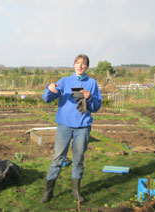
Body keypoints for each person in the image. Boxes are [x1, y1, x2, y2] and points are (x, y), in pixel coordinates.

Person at [40, 54, 102, 203]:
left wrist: (90, 98)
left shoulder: (92, 83)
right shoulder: (65, 81)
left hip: (83, 127)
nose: (80, 66)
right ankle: (48, 192)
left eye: (84, 64)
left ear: (87, 66)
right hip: (65, 126)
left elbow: (96, 107)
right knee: (57, 158)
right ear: (74, 65)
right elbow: (47, 99)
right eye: (78, 63)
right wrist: (49, 89)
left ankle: (76, 192)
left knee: (78, 159)